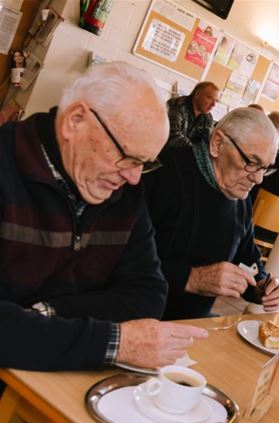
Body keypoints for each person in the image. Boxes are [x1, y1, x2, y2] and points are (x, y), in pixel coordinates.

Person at [0, 61, 208, 371]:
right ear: (76, 121)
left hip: (60, 380)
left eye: (145, 163)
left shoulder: (123, 193)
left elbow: (148, 295)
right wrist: (113, 342)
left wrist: (45, 314)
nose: (135, 177)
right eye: (127, 157)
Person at [143, 107, 279, 320]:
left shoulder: (239, 197)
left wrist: (260, 284)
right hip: (139, 318)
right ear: (217, 144)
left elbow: (246, 257)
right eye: (251, 163)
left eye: (265, 167)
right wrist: (190, 279)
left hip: (193, 325)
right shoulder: (163, 171)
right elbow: (118, 258)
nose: (258, 179)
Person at [166, 81, 220, 147]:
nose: (213, 104)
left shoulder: (207, 118)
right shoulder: (177, 105)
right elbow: (173, 136)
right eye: (210, 98)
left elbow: (208, 143)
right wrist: (196, 152)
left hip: (183, 155)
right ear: (197, 94)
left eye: (216, 101)